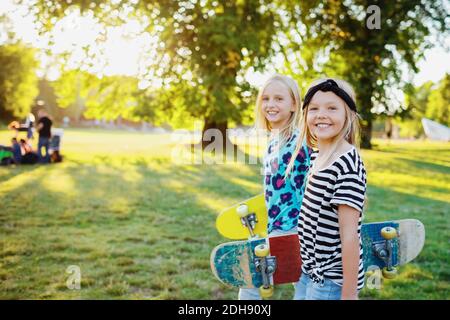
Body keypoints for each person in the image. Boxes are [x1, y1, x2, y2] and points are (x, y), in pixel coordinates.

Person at [286, 78, 367, 300]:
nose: (321, 114)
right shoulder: (317, 157)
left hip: (332, 280)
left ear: (348, 114)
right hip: (310, 272)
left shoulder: (347, 164)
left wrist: (349, 295)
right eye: (314, 108)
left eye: (332, 108)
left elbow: (350, 237)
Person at [238, 74, 310, 300]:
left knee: (251, 277)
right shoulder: (273, 141)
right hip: (277, 226)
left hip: (296, 229)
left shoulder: (300, 141)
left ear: (294, 105)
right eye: (266, 98)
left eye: (279, 98)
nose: (270, 104)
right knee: (255, 279)